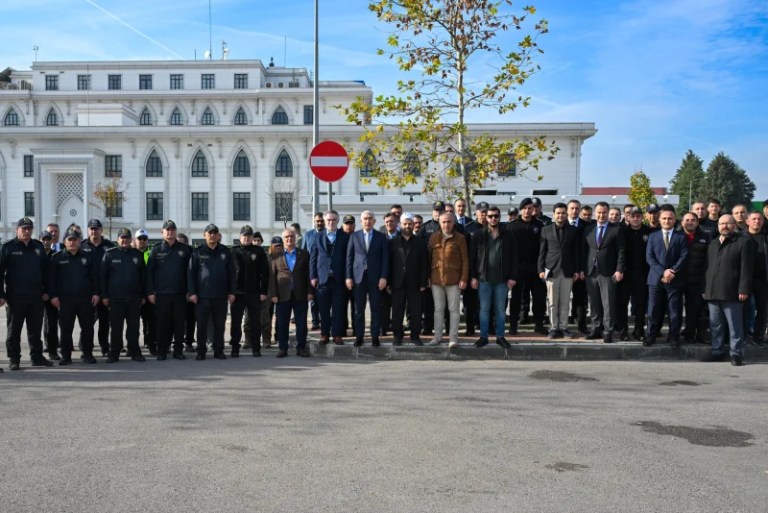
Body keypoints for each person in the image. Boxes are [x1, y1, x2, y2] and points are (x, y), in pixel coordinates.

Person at [701, 215, 755, 366]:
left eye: (728, 223)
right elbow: (707, 268)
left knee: (735, 325)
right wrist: (705, 288)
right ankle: (717, 351)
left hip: (733, 292)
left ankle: (736, 354)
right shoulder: (712, 244)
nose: (724, 226)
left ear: (734, 225)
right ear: (717, 226)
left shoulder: (743, 242)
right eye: (721, 223)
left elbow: (747, 269)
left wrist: (743, 289)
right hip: (712, 292)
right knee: (715, 325)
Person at [0, 217, 52, 370]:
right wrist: (1, 294)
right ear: (17, 230)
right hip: (15, 297)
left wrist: (47, 291)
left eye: (29, 229)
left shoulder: (38, 246)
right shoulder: (7, 247)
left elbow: (46, 271)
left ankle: (36, 357)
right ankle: (14, 358)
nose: (27, 231)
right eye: (24, 229)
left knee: (35, 330)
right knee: (14, 331)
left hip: (35, 296)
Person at [49, 228, 101, 365]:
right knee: (66, 329)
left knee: (87, 328)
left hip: (85, 299)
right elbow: (51, 280)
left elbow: (94, 277)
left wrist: (96, 293)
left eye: (75, 239)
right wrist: (53, 296)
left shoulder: (87, 257)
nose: (72, 242)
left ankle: (87, 354)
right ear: (65, 242)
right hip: (65, 300)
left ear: (79, 242)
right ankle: (66, 356)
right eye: (69, 240)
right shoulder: (57, 258)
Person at [470, 206, 517, 347]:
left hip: (502, 280)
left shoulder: (508, 235)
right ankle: (483, 336)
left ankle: (500, 336)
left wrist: (513, 277)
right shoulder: (479, 235)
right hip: (484, 279)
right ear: (486, 217)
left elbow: (514, 257)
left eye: (496, 216)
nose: (493, 218)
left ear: (499, 217)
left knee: (500, 310)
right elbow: (472, 258)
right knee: (484, 310)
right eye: (490, 216)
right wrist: (473, 276)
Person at [188, 224, 236, 360]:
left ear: (218, 235)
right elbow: (191, 273)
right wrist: (192, 293)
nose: (212, 235)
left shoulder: (225, 251)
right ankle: (201, 351)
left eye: (215, 232)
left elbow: (232, 273)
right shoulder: (198, 252)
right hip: (202, 296)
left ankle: (218, 350)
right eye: (209, 233)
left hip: (220, 296)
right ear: (205, 235)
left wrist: (232, 292)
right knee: (202, 326)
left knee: (219, 326)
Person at [146, 220, 192, 360]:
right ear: (162, 232)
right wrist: (150, 292)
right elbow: (150, 273)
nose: (170, 232)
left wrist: (189, 291)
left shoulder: (184, 250)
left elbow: (189, 272)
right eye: (167, 230)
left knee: (179, 324)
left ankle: (178, 350)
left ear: (176, 232)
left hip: (179, 294)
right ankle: (161, 351)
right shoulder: (156, 249)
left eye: (172, 230)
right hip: (162, 294)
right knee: (162, 324)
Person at [101, 228, 147, 363]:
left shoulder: (137, 255)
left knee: (134, 328)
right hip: (116, 299)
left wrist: (143, 295)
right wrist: (104, 296)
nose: (125, 240)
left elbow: (143, 277)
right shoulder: (110, 255)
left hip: (134, 298)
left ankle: (134, 351)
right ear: (118, 240)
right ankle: (114, 352)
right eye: (122, 237)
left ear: (131, 239)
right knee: (116, 328)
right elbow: (103, 277)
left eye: (127, 237)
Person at [645, 205, 688, 348]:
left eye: (670, 218)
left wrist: (672, 271)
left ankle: (673, 337)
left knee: (674, 311)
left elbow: (684, 256)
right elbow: (649, 257)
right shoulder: (653, 236)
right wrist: (663, 272)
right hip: (655, 279)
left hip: (675, 280)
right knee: (653, 310)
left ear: (675, 220)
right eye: (664, 218)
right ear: (660, 219)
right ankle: (650, 336)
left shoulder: (681, 237)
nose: (667, 221)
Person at [582, 201, 625, 343]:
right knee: (594, 303)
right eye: (599, 212)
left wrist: (619, 269)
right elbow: (585, 251)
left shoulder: (616, 229)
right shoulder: (589, 229)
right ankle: (596, 328)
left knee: (608, 303)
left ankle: (608, 331)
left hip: (608, 271)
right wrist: (582, 269)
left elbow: (621, 251)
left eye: (604, 212)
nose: (601, 215)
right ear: (595, 213)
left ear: (608, 213)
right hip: (591, 271)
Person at [346, 210, 389, 347]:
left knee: (376, 308)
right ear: (361, 221)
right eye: (365, 218)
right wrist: (348, 277)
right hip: (358, 278)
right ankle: (359, 336)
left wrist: (383, 277)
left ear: (374, 221)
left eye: (370, 218)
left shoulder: (381, 237)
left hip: (376, 278)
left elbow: (385, 260)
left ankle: (375, 336)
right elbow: (349, 258)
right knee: (359, 309)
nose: (368, 221)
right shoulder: (354, 236)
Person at [505, 198, 547, 335]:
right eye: (525, 208)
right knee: (516, 298)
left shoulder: (540, 225)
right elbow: (508, 250)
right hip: (518, 268)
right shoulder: (512, 226)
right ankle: (513, 326)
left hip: (535, 267)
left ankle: (539, 324)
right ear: (520, 209)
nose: (528, 211)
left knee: (538, 297)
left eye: (530, 208)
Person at [538, 202, 580, 339]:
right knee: (552, 302)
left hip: (568, 270)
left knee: (565, 301)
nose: (561, 215)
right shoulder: (546, 230)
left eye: (563, 213)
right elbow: (542, 252)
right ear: (554, 214)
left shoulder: (574, 230)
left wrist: (577, 270)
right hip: (551, 270)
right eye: (558, 213)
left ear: (567, 214)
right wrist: (540, 269)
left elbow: (576, 252)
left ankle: (564, 327)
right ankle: (553, 328)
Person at [269, 230, 314, 358]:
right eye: (287, 237)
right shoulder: (276, 255)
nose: (289, 239)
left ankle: (301, 348)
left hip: (301, 294)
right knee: (282, 322)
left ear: (296, 238)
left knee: (301, 323)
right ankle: (283, 348)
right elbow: (272, 276)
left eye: (292, 236)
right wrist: (274, 294)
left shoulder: (304, 254)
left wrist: (310, 292)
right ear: (283, 239)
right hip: (283, 295)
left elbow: (308, 275)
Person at [427, 211, 468, 348]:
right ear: (439, 222)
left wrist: (464, 278)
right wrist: (427, 277)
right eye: (443, 222)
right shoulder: (433, 237)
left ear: (453, 222)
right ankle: (437, 337)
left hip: (454, 280)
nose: (446, 224)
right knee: (438, 309)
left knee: (454, 310)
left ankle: (453, 338)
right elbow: (428, 258)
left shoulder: (460, 238)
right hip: (436, 279)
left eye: (449, 221)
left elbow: (465, 260)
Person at [310, 210, 350, 346]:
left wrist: (348, 277)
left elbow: (348, 259)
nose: (331, 222)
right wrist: (313, 276)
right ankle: (324, 334)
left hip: (339, 279)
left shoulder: (345, 236)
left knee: (338, 308)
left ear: (338, 221)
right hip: (322, 279)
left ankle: (337, 334)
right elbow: (313, 257)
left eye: (333, 220)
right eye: (328, 220)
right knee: (323, 309)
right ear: (325, 221)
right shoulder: (317, 236)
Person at [388, 213, 429, 346]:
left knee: (416, 311)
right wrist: (388, 281)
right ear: (400, 225)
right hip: (397, 282)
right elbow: (389, 264)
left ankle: (415, 336)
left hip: (415, 283)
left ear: (413, 225)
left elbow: (425, 264)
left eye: (410, 224)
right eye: (405, 224)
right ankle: (397, 336)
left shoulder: (420, 242)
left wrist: (423, 282)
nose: (407, 226)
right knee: (397, 311)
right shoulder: (393, 242)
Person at [230, 225, 269, 357]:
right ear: (240, 237)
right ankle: (235, 348)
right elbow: (228, 273)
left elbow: (265, 273)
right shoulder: (233, 252)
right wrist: (230, 291)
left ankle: (256, 348)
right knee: (235, 322)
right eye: (244, 235)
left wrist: (264, 292)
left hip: (254, 293)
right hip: (238, 293)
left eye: (249, 235)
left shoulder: (259, 252)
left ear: (252, 237)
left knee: (255, 322)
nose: (246, 238)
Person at [615, 206, 651, 341]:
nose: (635, 219)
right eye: (633, 216)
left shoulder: (648, 232)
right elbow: (619, 252)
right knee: (622, 303)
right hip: (625, 273)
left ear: (642, 217)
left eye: (638, 216)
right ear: (628, 218)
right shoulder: (622, 231)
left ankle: (639, 330)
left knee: (641, 304)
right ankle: (624, 330)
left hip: (643, 274)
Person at [81, 218, 115, 356]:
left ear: (101, 230)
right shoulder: (82, 245)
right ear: (88, 230)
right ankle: (85, 348)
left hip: (105, 290)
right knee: (86, 323)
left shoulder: (109, 246)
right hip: (87, 291)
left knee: (105, 322)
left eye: (96, 228)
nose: (94, 231)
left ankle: (105, 347)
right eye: (91, 228)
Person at [679, 212, 711, 344]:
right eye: (687, 220)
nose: (690, 222)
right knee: (674, 309)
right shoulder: (676, 236)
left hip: (696, 280)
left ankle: (690, 334)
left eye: (693, 220)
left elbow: (708, 261)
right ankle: (673, 333)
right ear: (682, 222)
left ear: (698, 222)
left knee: (693, 309)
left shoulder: (706, 237)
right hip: (678, 278)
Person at [567, 199, 589, 334]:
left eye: (577, 208)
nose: (574, 211)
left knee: (581, 298)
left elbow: (586, 249)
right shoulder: (559, 224)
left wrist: (582, 268)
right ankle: (561, 325)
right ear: (568, 210)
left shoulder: (587, 226)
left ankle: (581, 324)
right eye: (572, 208)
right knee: (561, 300)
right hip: (563, 268)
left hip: (580, 268)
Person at [746, 212, 768, 346]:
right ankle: (746, 335)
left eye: (759, 219)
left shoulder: (766, 237)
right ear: (747, 221)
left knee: (762, 309)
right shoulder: (740, 237)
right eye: (753, 219)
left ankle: (759, 336)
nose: (757, 221)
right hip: (745, 279)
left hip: (763, 280)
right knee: (747, 308)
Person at [134, 228, 157, 355]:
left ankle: (150, 344)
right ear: (135, 240)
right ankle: (134, 346)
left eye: (144, 239)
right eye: (139, 238)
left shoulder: (152, 253)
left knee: (150, 321)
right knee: (133, 323)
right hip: (135, 293)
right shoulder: (131, 253)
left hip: (149, 292)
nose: (142, 241)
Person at [302, 212, 325, 331]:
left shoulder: (329, 234)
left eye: (321, 221)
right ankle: (315, 321)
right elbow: (304, 252)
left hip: (326, 272)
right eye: (317, 221)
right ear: (314, 222)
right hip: (312, 271)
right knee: (313, 299)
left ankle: (325, 321)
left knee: (325, 299)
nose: (319, 223)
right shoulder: (308, 235)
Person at [40, 230, 60, 360]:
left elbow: (58, 278)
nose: (46, 242)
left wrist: (51, 294)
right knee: (35, 326)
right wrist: (42, 292)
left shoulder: (56, 256)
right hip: (37, 295)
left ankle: (53, 351)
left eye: (48, 239)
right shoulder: (35, 256)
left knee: (52, 325)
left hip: (52, 295)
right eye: (44, 240)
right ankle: (36, 353)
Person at [176, 232, 197, 352]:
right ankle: (176, 342)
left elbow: (193, 273)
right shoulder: (172, 252)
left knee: (190, 319)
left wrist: (191, 291)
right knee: (176, 318)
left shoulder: (192, 253)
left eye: (182, 243)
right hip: (176, 291)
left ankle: (189, 342)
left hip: (189, 290)